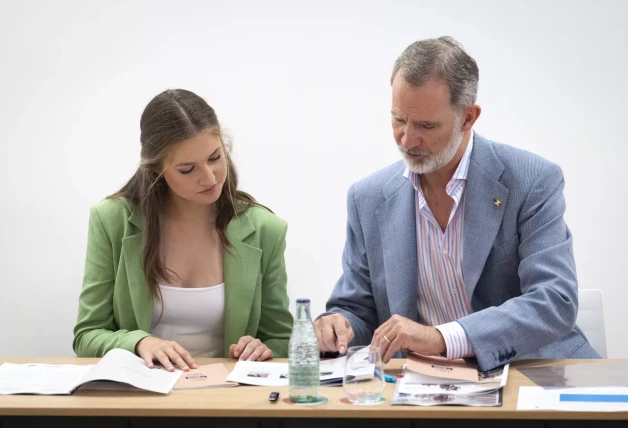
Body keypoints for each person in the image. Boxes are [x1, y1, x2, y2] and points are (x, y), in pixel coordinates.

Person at [315, 37, 600, 371]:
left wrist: (442, 337)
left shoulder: (532, 180)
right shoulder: (367, 198)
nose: (407, 139)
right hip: (427, 389)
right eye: (398, 119)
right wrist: (340, 324)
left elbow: (554, 301)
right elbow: (360, 310)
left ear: (468, 117)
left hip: (534, 376)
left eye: (426, 125)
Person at [73, 89, 293, 371]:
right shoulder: (111, 220)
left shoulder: (266, 229)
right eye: (187, 169)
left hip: (229, 400)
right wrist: (139, 343)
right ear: (156, 170)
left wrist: (264, 348)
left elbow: (281, 339)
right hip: (142, 399)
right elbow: (86, 336)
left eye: (215, 157)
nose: (209, 177)